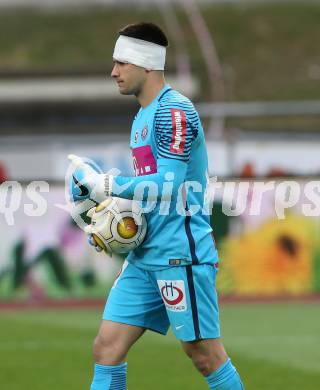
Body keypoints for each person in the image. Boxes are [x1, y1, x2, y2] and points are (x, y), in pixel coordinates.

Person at [68, 22, 244, 390]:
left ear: (146, 64)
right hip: (145, 256)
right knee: (106, 348)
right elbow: (150, 192)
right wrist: (109, 211)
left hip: (180, 255)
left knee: (204, 354)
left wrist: (108, 185)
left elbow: (170, 183)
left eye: (121, 63)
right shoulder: (142, 116)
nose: (113, 72)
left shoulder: (174, 110)